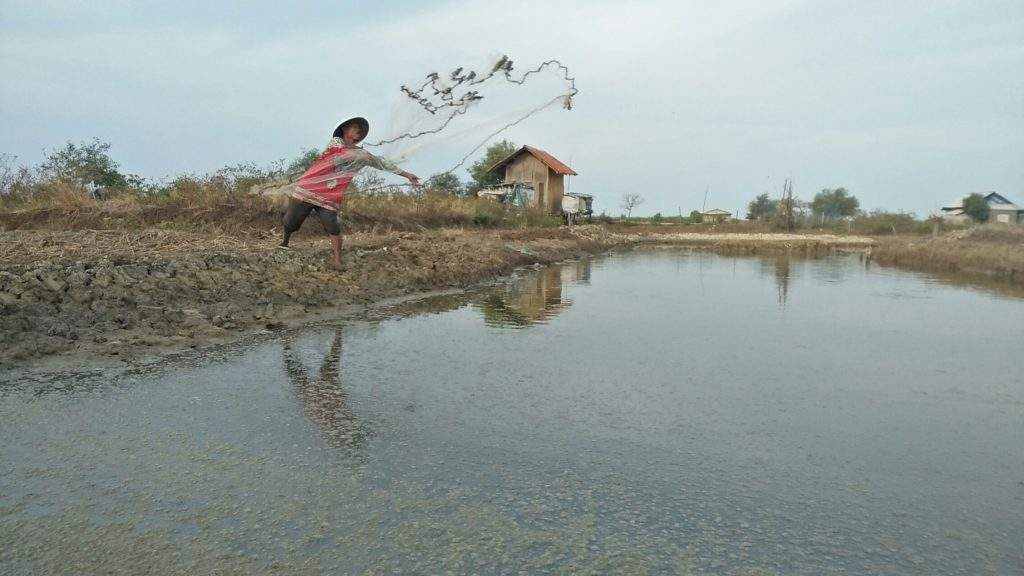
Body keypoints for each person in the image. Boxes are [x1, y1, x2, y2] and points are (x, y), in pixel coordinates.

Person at [280, 117, 419, 269]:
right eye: (355, 127)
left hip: (331, 193)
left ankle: (338, 261)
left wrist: (407, 175)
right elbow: (341, 155)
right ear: (345, 129)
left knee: (333, 225)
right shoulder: (336, 143)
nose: (358, 130)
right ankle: (285, 241)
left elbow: (382, 163)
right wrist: (361, 156)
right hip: (310, 187)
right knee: (291, 222)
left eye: (360, 129)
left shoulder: (362, 154)